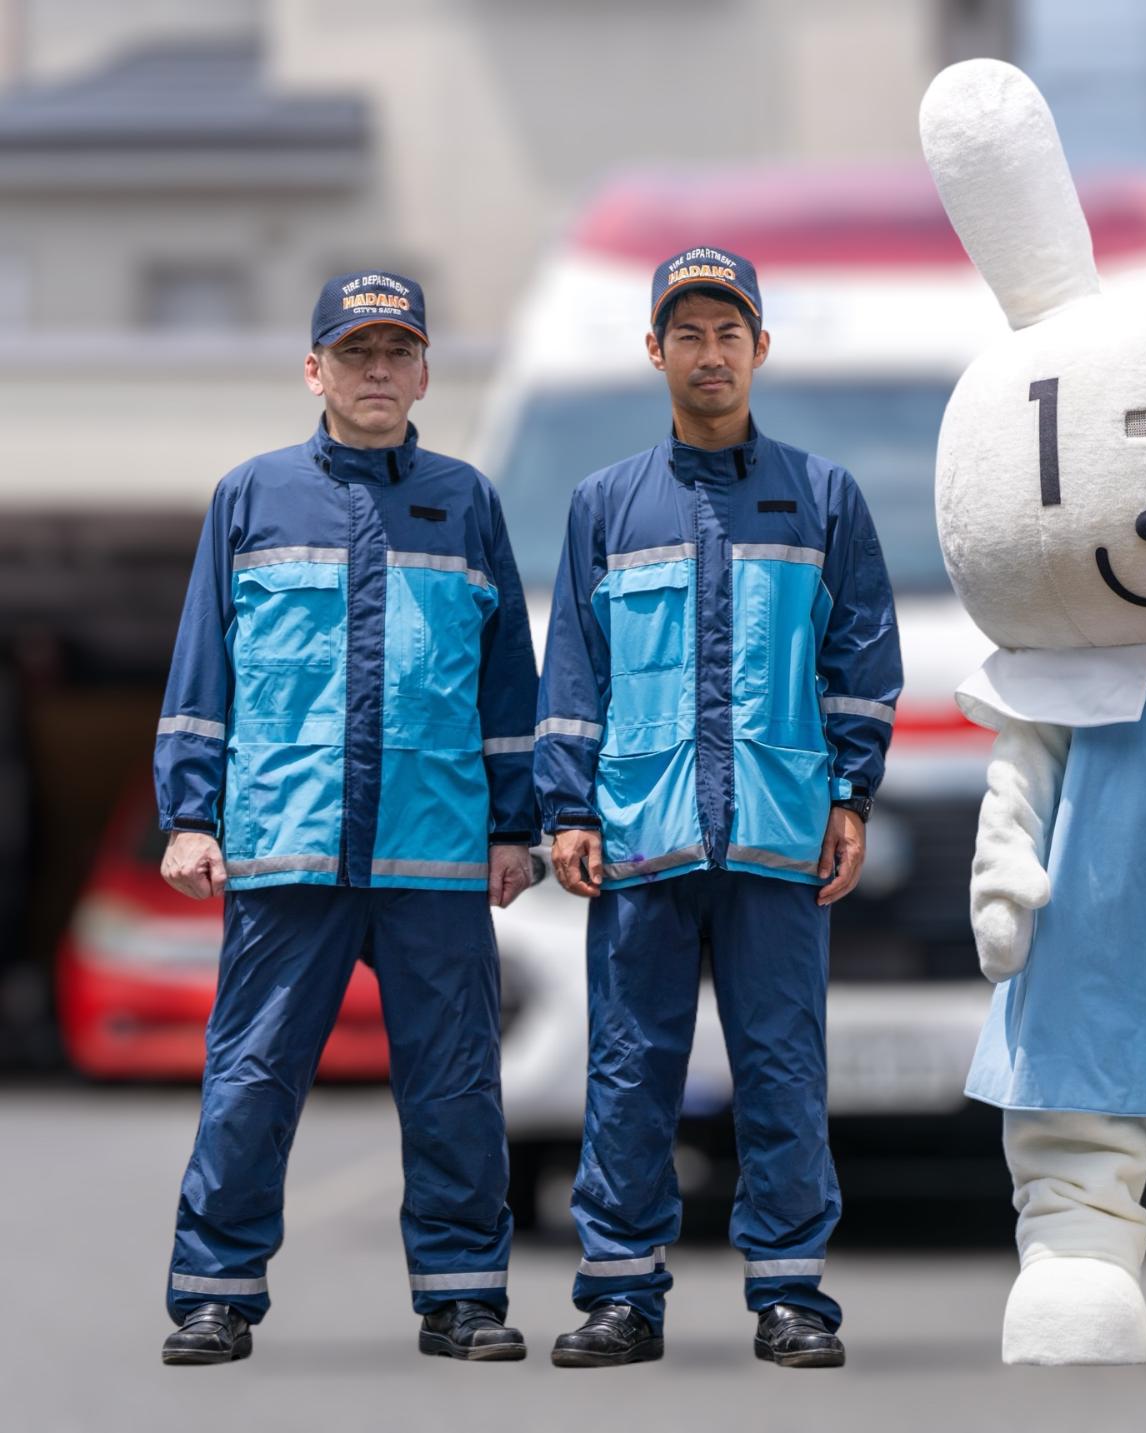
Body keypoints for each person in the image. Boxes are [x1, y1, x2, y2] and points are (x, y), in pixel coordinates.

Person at [154, 272, 540, 1365]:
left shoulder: (465, 500)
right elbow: (202, 669)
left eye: (396, 353)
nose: (378, 372)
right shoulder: (251, 495)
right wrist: (189, 813)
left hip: (435, 849)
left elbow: (505, 683)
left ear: (423, 373)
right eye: (355, 352)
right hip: (287, 847)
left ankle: (462, 1294)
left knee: (456, 1082)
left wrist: (514, 824)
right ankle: (214, 1292)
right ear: (315, 368)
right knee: (251, 1077)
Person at [535, 246, 901, 1369]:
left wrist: (851, 790)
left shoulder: (821, 493)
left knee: (782, 1063)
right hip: (642, 835)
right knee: (628, 1065)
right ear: (655, 351)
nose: (708, 352)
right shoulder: (605, 504)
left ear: (759, 349)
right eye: (686, 333)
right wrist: (566, 809)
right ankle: (620, 1295)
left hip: (780, 833)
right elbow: (575, 674)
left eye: (727, 332)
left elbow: (859, 656)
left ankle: (790, 1293)